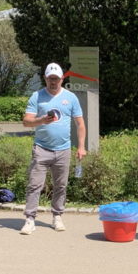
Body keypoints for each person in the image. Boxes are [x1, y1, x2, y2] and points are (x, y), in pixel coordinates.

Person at [19, 63, 86, 234]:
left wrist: (81, 147)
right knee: (35, 185)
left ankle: (57, 216)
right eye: (50, 79)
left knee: (61, 185)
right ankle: (30, 219)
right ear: (45, 78)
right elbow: (26, 121)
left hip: (63, 150)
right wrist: (41, 120)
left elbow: (80, 124)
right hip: (41, 148)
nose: (53, 82)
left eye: (56, 79)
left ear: (62, 79)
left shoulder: (70, 97)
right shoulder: (37, 96)